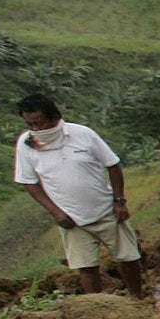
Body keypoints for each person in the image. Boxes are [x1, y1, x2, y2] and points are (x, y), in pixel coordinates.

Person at [12, 94, 145, 298]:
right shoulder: (27, 143)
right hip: (71, 219)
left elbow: (113, 165)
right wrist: (56, 213)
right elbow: (29, 182)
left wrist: (119, 201)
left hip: (107, 210)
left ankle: (137, 298)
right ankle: (95, 306)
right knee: (86, 266)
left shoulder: (82, 134)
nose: (36, 129)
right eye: (30, 124)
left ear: (55, 117)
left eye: (39, 123)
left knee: (128, 257)